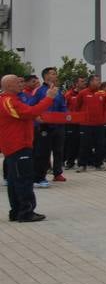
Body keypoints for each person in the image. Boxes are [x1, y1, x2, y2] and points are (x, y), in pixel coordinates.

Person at [2, 73, 57, 222]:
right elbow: (28, 112)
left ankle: (17, 211)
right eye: (17, 82)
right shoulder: (8, 100)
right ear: (8, 86)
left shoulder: (14, 100)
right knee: (24, 180)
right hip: (17, 145)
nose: (21, 84)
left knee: (15, 180)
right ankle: (26, 212)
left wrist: (33, 116)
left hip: (17, 145)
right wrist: (49, 98)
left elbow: (27, 114)